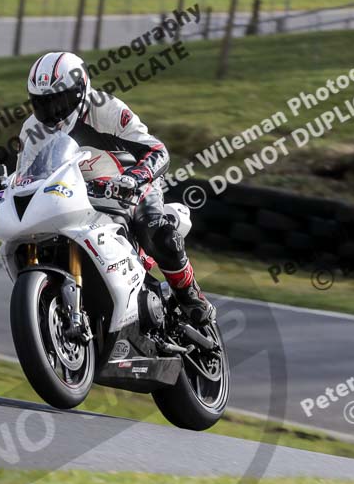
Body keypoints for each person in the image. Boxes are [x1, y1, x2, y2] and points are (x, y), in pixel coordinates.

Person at [20, 51, 215, 326]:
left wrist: (134, 178)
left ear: (80, 91)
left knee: (155, 230)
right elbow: (24, 177)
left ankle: (191, 297)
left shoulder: (105, 108)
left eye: (59, 101)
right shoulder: (32, 130)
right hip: (74, 193)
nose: (52, 111)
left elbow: (157, 151)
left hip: (127, 182)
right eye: (42, 103)